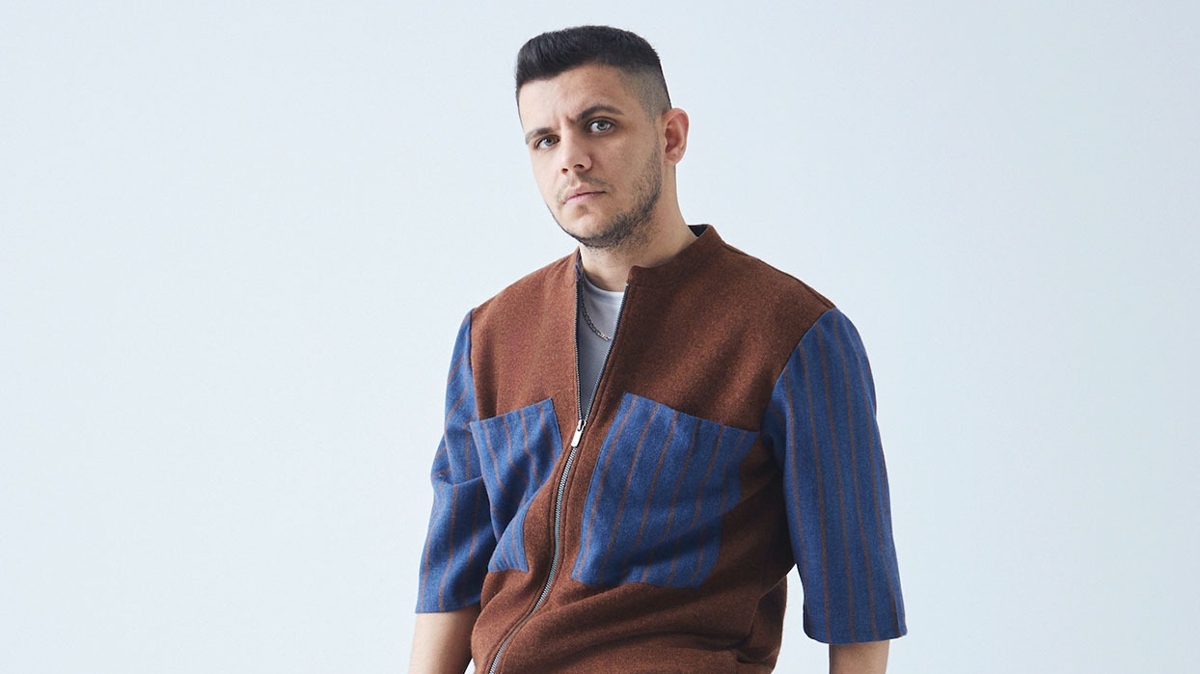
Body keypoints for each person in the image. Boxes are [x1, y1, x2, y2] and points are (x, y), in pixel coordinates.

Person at [409, 25, 906, 674]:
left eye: (599, 125)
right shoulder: (493, 334)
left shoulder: (792, 333)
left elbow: (855, 594)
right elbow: (452, 573)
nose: (571, 159)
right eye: (545, 139)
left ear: (671, 137)